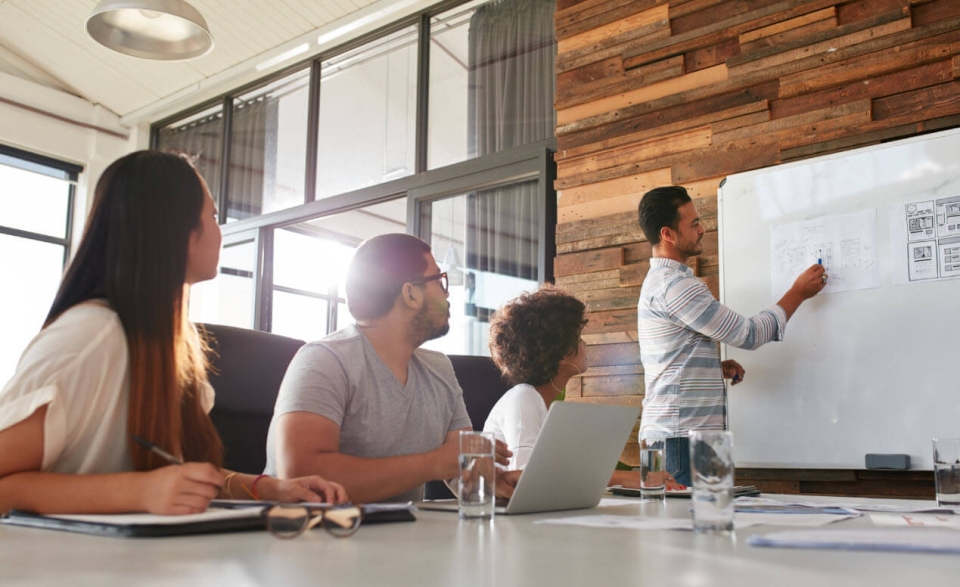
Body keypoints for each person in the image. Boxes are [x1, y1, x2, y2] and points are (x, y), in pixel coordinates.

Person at [0, 150, 347, 515]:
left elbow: (180, 476)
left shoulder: (174, 344)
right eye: (212, 216)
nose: (219, 231)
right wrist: (139, 492)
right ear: (175, 228)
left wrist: (270, 488)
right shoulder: (89, 335)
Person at [264, 233, 519, 503]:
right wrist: (432, 463)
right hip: (310, 537)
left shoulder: (439, 369)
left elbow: (458, 463)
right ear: (410, 294)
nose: (447, 293)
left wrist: (492, 482)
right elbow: (302, 477)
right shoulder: (323, 360)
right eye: (439, 281)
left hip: (401, 537)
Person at [636, 185, 827, 486]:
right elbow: (749, 334)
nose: (703, 229)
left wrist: (712, 369)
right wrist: (797, 293)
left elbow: (671, 357)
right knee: (699, 527)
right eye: (694, 223)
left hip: (679, 435)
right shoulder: (676, 287)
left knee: (704, 526)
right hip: (682, 439)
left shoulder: (664, 282)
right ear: (668, 234)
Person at [482, 288, 651, 489]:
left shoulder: (543, 403)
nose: (585, 344)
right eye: (579, 339)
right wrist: (623, 478)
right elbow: (524, 478)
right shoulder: (523, 398)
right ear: (561, 351)